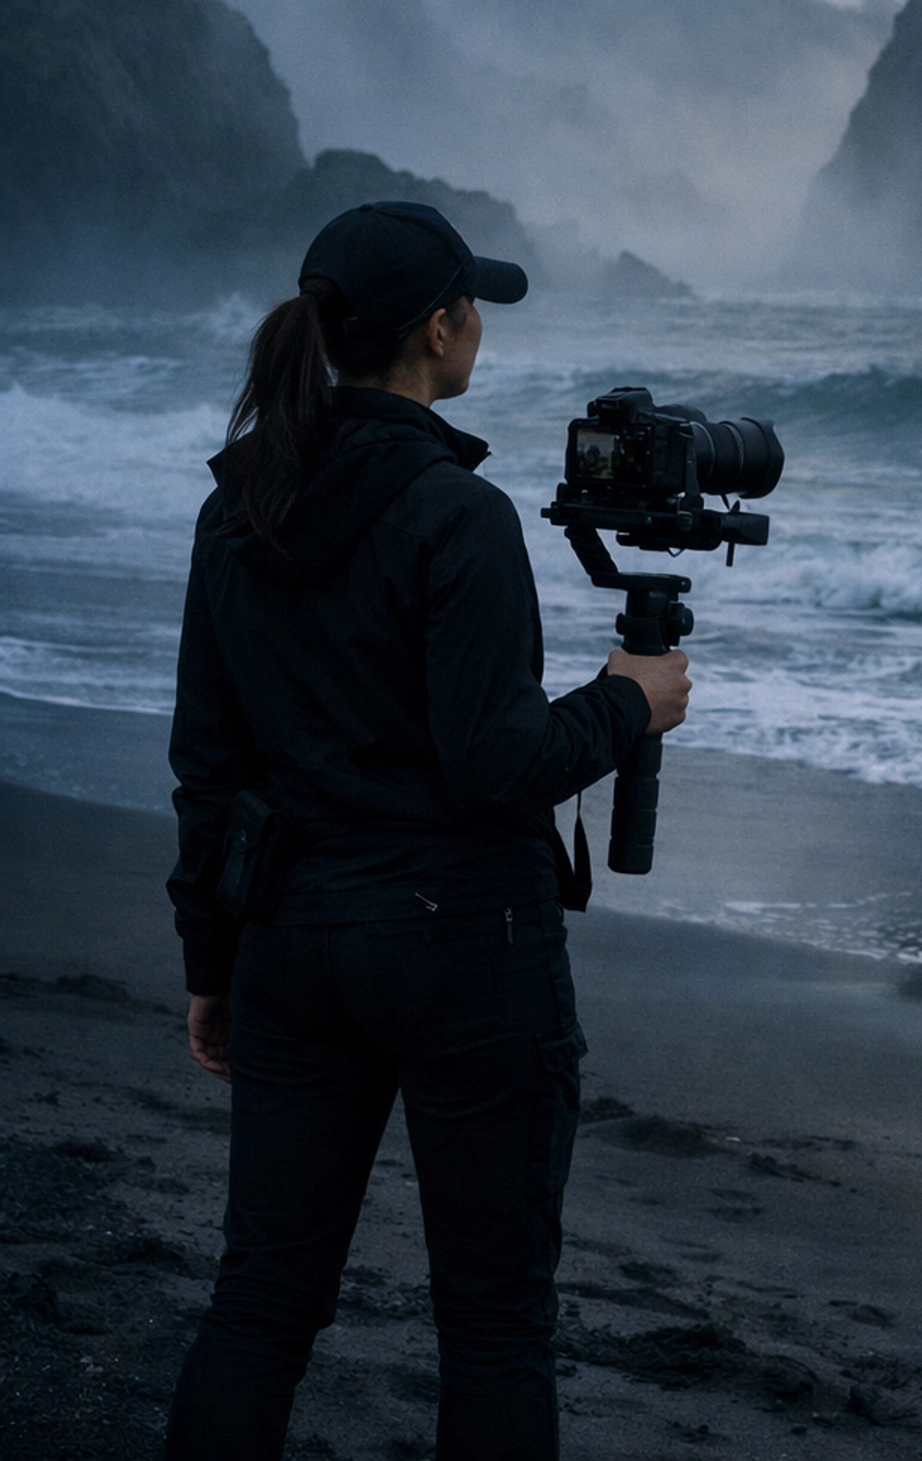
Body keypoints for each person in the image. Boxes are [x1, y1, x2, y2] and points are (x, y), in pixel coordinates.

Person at [162, 200, 690, 1461]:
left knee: (263, 1300)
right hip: (464, 949)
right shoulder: (457, 516)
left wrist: (210, 965)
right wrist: (630, 703)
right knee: (495, 1325)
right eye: (474, 312)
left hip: (292, 939)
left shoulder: (238, 508)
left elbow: (207, 764)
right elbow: (493, 762)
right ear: (442, 330)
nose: (477, 333)